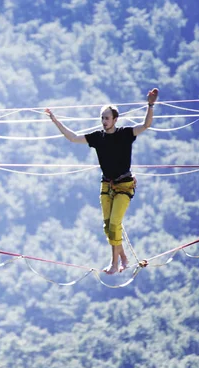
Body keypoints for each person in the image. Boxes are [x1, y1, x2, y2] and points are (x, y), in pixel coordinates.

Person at [45, 88, 159, 274]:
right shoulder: (98, 137)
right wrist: (55, 120)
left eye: (107, 118)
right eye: (102, 118)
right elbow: (73, 138)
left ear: (115, 119)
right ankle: (122, 257)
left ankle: (114, 263)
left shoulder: (125, 134)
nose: (104, 121)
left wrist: (150, 105)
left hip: (124, 185)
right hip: (107, 185)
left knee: (115, 224)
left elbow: (146, 125)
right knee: (108, 227)